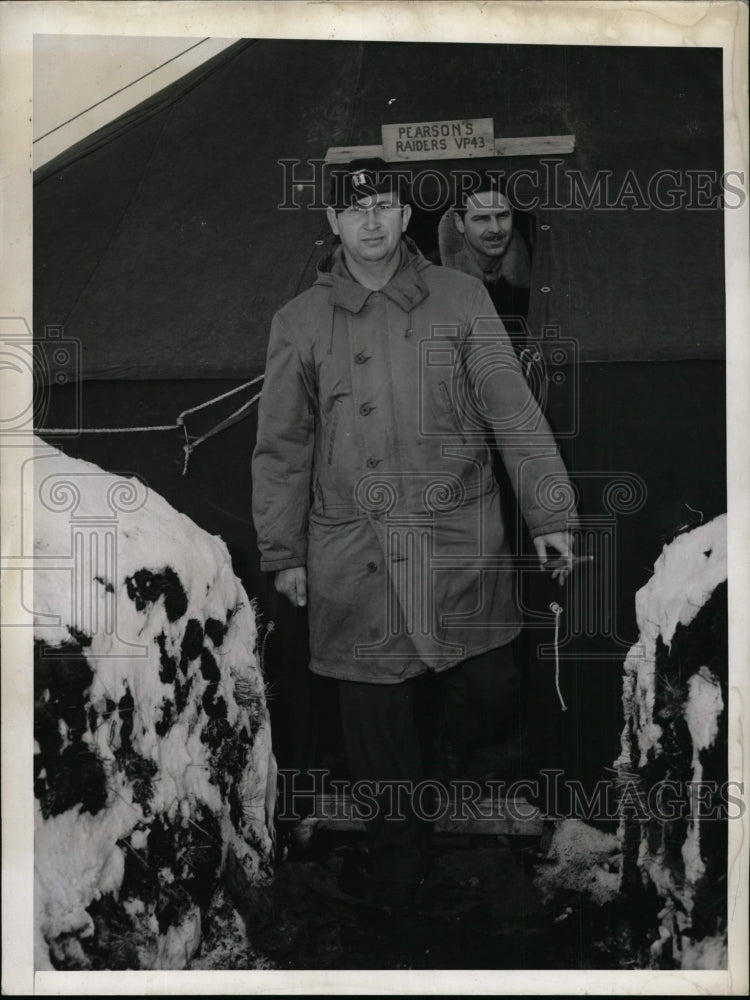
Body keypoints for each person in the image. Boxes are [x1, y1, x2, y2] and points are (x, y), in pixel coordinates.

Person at [252, 158, 577, 912]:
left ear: (407, 218)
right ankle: (398, 867)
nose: (371, 220)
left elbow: (512, 410)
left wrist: (552, 512)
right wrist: (283, 551)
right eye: (354, 208)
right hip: (354, 550)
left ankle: (465, 804)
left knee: (489, 683)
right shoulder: (298, 321)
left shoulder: (460, 298)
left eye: (385, 205)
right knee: (375, 719)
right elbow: (282, 449)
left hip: (455, 534)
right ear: (333, 223)